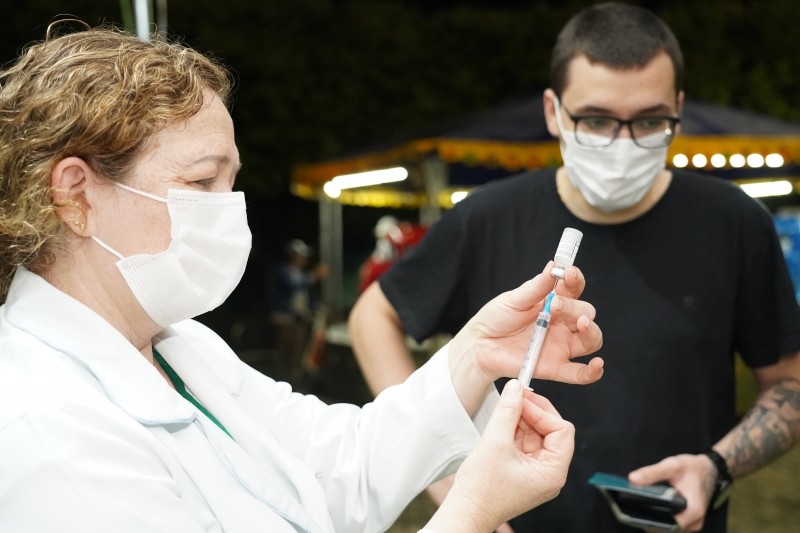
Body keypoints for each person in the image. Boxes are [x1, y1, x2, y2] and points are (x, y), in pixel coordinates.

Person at [0, 22, 606, 533]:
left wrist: (477, 353)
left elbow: (338, 466)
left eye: (231, 182)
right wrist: (471, 512)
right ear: (75, 195)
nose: (227, 209)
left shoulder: (181, 349)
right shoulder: (47, 433)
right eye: (201, 181)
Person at [349, 3, 800, 532]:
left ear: (678, 109)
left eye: (649, 121)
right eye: (597, 120)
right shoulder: (488, 217)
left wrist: (716, 467)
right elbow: (373, 317)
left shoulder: (734, 223)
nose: (622, 144)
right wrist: (452, 487)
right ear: (553, 111)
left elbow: (789, 382)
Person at [270, 238, 328, 382]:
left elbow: (308, 294)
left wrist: (317, 306)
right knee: (285, 350)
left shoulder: (302, 274)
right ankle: (282, 377)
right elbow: (292, 285)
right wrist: (314, 276)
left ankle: (295, 378)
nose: (304, 259)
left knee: (298, 350)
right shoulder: (283, 271)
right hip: (284, 318)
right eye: (301, 256)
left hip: (299, 318)